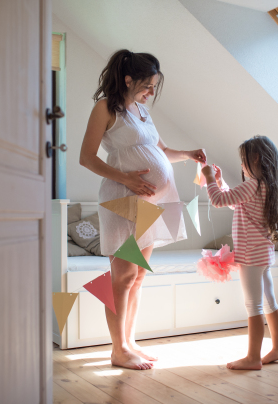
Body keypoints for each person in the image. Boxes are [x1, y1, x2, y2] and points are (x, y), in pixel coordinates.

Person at [79, 49, 206, 370]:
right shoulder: (106, 108)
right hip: (122, 200)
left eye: (153, 87)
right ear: (128, 79)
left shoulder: (142, 112)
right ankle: (118, 349)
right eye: (147, 86)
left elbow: (161, 151)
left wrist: (189, 154)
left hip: (151, 204)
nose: (151, 93)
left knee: (136, 278)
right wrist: (126, 178)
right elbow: (87, 157)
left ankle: (129, 341)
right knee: (121, 278)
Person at [201, 135, 278, 370]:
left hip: (251, 255)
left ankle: (252, 358)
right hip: (263, 254)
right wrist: (220, 182)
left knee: (253, 306)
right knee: (269, 301)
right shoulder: (266, 185)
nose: (241, 165)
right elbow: (234, 201)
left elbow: (219, 201)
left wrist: (209, 178)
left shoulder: (253, 184)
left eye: (243, 161)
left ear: (256, 159)